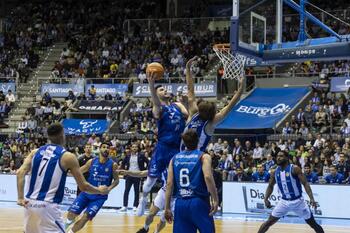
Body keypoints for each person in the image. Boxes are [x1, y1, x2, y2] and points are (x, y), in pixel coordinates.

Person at [16, 123, 108, 233]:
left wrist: (20, 197)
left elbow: (20, 172)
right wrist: (100, 190)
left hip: (29, 204)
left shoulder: (35, 152)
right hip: (48, 206)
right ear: (62, 135)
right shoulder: (68, 156)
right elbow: (83, 186)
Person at [137, 71, 187, 216]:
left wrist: (184, 101)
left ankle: (171, 207)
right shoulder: (158, 108)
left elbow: (187, 114)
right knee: (149, 183)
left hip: (176, 149)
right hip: (162, 149)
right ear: (156, 94)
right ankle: (143, 198)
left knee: (174, 180)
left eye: (165, 89)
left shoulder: (177, 105)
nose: (164, 90)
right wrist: (151, 85)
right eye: (161, 89)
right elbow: (156, 103)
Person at [181, 56, 243, 152]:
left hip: (183, 157)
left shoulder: (194, 113)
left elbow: (190, 89)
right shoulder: (211, 122)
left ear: (199, 108)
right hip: (197, 159)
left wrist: (188, 69)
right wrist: (240, 89)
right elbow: (230, 106)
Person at [164, 129, 219, 233]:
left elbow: (169, 184)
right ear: (198, 140)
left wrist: (167, 208)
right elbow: (207, 177)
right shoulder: (204, 156)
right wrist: (215, 199)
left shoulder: (174, 158)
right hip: (199, 202)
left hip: (180, 203)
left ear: (184, 143)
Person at [257, 151, 324, 233]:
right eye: (278, 156)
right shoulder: (274, 172)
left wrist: (312, 199)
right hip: (284, 202)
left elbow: (305, 183)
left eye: (281, 156)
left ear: (287, 158)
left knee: (312, 224)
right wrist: (266, 199)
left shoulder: (294, 169)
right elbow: (270, 186)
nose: (278, 158)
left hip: (298, 202)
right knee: (268, 222)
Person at [65, 142, 119, 233]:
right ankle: (65, 225)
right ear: (99, 149)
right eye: (104, 147)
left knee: (86, 217)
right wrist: (66, 172)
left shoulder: (113, 165)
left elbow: (117, 180)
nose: (106, 149)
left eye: (108, 148)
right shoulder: (92, 161)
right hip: (86, 193)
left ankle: (70, 232)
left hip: (99, 197)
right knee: (71, 214)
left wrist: (109, 189)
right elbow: (79, 171)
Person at [120, 144, 148, 212]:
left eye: (135, 147)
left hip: (137, 175)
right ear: (131, 148)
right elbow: (123, 163)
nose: (134, 148)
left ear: (138, 148)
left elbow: (148, 162)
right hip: (129, 175)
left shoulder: (141, 156)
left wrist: (144, 170)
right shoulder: (128, 156)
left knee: (136, 191)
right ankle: (124, 206)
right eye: (133, 147)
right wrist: (124, 171)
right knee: (126, 191)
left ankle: (135, 206)